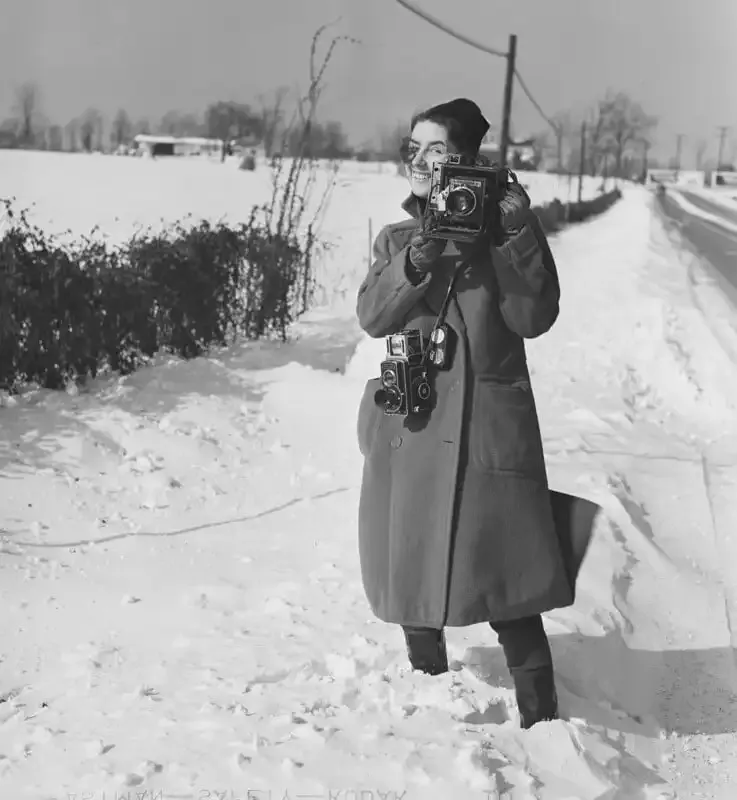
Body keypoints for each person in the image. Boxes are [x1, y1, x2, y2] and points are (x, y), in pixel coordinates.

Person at [355, 98, 572, 730]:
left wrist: (515, 234)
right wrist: (419, 258)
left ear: (470, 165)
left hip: (483, 429)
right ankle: (430, 698)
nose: (420, 163)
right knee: (414, 560)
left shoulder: (507, 237)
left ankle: (546, 719)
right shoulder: (399, 239)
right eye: (413, 149)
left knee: (509, 574)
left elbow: (534, 318)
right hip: (414, 426)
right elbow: (373, 317)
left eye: (437, 152)